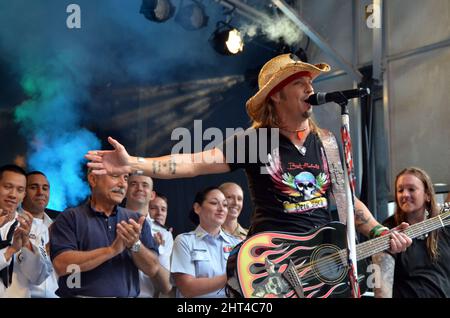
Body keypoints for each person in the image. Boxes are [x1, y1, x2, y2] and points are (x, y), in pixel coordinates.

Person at [85, 53, 412, 297]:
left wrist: (382, 231)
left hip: (322, 264)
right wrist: (134, 163)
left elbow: (347, 201)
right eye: (300, 82)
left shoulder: (326, 141)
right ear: (278, 95)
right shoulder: (257, 141)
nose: (310, 87)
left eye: (311, 81)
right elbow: (195, 163)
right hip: (272, 263)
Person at [49, 170, 164, 297]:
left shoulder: (136, 220)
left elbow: (152, 269)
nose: (122, 184)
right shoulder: (70, 217)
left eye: (125, 178)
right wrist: (111, 250)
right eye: (115, 176)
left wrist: (134, 244)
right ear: (93, 179)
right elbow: (62, 264)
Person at [373, 167, 450, 298]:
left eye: (411, 189)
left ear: (427, 195)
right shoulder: (389, 230)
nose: (405, 194)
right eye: (400, 190)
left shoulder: (444, 226)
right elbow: (381, 287)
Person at [170, 187, 241, 298]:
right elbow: (187, 288)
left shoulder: (237, 243)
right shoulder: (184, 241)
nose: (221, 209)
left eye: (225, 205)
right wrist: (231, 275)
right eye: (214, 203)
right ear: (197, 208)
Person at [0, 165, 51, 297]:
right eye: (7, 187)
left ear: (24, 195)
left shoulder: (33, 227)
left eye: (19, 189)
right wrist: (10, 251)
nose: (12, 194)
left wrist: (27, 245)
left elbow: (39, 277)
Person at [125, 174, 172, 297]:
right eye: (133, 184)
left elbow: (166, 286)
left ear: (152, 195)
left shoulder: (164, 234)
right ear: (125, 189)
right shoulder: (110, 221)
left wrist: (155, 250)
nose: (140, 188)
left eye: (145, 185)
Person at [21, 171, 58, 298]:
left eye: (45, 188)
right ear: (23, 192)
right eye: (33, 187)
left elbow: (72, 267)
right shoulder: (10, 223)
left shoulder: (59, 228)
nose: (40, 192)